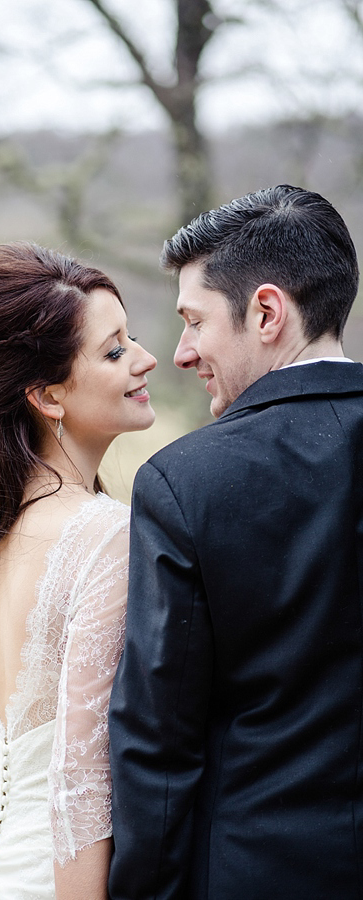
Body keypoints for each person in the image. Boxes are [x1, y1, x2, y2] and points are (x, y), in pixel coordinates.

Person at [108, 185, 363, 900]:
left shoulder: (186, 483)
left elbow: (158, 748)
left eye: (194, 321)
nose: (182, 352)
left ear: (267, 312)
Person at [0, 241, 157, 900]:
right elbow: (81, 786)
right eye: (114, 351)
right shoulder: (104, 535)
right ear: (47, 396)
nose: (146, 358)